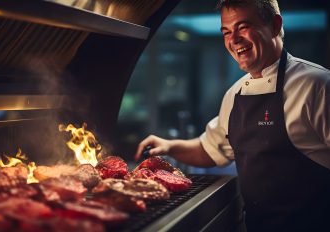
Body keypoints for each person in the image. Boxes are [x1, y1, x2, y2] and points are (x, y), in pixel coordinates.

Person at [134, 0, 330, 231]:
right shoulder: (235, 93)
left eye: (243, 27)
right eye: (226, 32)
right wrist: (169, 146)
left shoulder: (317, 85)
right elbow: (211, 149)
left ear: (275, 25)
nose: (233, 40)